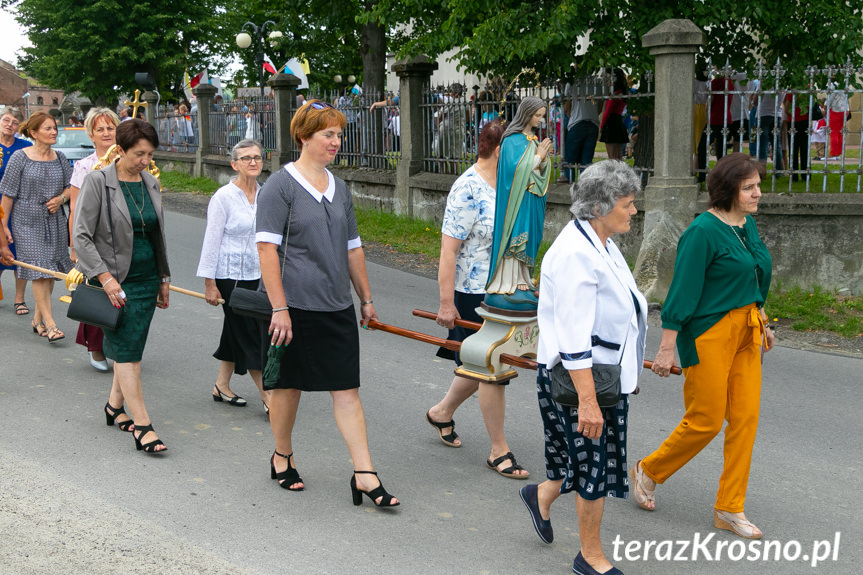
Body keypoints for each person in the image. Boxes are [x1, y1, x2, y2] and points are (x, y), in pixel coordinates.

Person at [256, 100, 398, 506]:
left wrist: (365, 298)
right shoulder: (278, 187)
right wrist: (279, 308)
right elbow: (267, 252)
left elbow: (353, 248)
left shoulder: (341, 187)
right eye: (328, 135)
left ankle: (365, 474)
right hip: (294, 307)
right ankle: (282, 455)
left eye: (339, 134)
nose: (336, 142)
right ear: (304, 137)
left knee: (346, 389)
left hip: (335, 306)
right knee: (288, 387)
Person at [631, 152, 774, 540]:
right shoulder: (702, 232)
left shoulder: (746, 226)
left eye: (758, 185)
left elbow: (754, 275)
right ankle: (649, 470)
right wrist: (666, 348)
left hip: (747, 331)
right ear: (728, 190)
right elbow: (683, 291)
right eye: (750, 188)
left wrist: (761, 316)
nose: (758, 193)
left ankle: (730, 506)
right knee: (706, 420)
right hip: (709, 333)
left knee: (745, 420)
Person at [520, 160, 646, 575]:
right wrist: (589, 402)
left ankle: (540, 495)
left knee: (579, 459)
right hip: (580, 382)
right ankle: (589, 556)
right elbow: (574, 337)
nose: (633, 211)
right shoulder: (576, 254)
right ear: (599, 207)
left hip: (599, 377)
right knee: (596, 466)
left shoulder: (601, 242)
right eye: (627, 205)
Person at [424, 119, 529, 479]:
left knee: (482, 362)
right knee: (491, 368)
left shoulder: (508, 185)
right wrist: (445, 303)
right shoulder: (467, 187)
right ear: (500, 150)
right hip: (472, 293)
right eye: (517, 149)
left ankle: (441, 412)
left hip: (502, 291)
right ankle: (499, 450)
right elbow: (448, 250)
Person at [74, 119, 171, 454]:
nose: (145, 160)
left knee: (133, 348)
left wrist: (164, 278)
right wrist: (105, 277)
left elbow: (158, 235)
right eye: (139, 154)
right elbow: (82, 236)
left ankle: (114, 407)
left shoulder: (150, 183)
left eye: (149, 154)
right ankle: (142, 425)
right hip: (115, 282)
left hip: (147, 279)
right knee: (128, 354)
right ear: (120, 150)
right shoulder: (98, 181)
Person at [197, 139, 271, 413]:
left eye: (257, 157)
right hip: (228, 276)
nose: (253, 162)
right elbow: (211, 240)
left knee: (235, 329)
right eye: (246, 158)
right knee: (250, 334)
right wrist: (210, 283)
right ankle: (269, 397)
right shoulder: (223, 198)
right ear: (234, 164)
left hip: (257, 276)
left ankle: (221, 385)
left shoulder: (266, 195)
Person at [0, 111, 74, 343]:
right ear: (33, 133)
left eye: (54, 128)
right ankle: (51, 325)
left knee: (49, 272)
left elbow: (72, 187)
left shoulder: (61, 158)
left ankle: (38, 319)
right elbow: (8, 195)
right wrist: (4, 226)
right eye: (48, 129)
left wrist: (61, 199)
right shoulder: (20, 158)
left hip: (54, 221)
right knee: (40, 270)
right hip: (25, 221)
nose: (54, 132)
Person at [484, 96, 552, 311]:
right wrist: (539, 157)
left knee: (530, 236)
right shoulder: (511, 140)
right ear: (526, 114)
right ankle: (509, 282)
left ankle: (524, 277)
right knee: (517, 235)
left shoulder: (531, 139)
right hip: (517, 201)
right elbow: (515, 172)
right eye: (537, 115)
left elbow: (536, 171)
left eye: (543, 116)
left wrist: (543, 160)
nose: (541, 120)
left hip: (531, 198)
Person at [68, 107, 121, 371]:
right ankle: (96, 347)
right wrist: (75, 247)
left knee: (125, 294)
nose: (106, 133)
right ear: (91, 134)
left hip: (124, 239)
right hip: (93, 239)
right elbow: (75, 209)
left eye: (110, 127)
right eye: (100, 129)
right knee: (98, 293)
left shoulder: (127, 161)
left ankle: (120, 345)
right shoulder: (84, 166)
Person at [0, 108, 32, 316]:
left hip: (18, 206)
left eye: (14, 122)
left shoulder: (25, 148)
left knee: (19, 253)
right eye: (6, 120)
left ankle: (19, 299)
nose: (9, 124)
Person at [564, 75, 601, 179]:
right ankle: (584, 186)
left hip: (576, 123)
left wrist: (573, 116)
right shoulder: (597, 82)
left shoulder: (572, 82)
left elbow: (567, 105)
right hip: (593, 122)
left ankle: (570, 183)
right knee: (586, 160)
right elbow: (601, 103)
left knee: (570, 159)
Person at [599, 69, 628, 161]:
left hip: (611, 123)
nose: (607, 82)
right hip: (618, 121)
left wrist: (602, 125)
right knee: (618, 156)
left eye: (608, 79)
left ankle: (614, 174)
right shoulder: (622, 92)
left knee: (612, 156)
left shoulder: (615, 95)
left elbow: (607, 112)